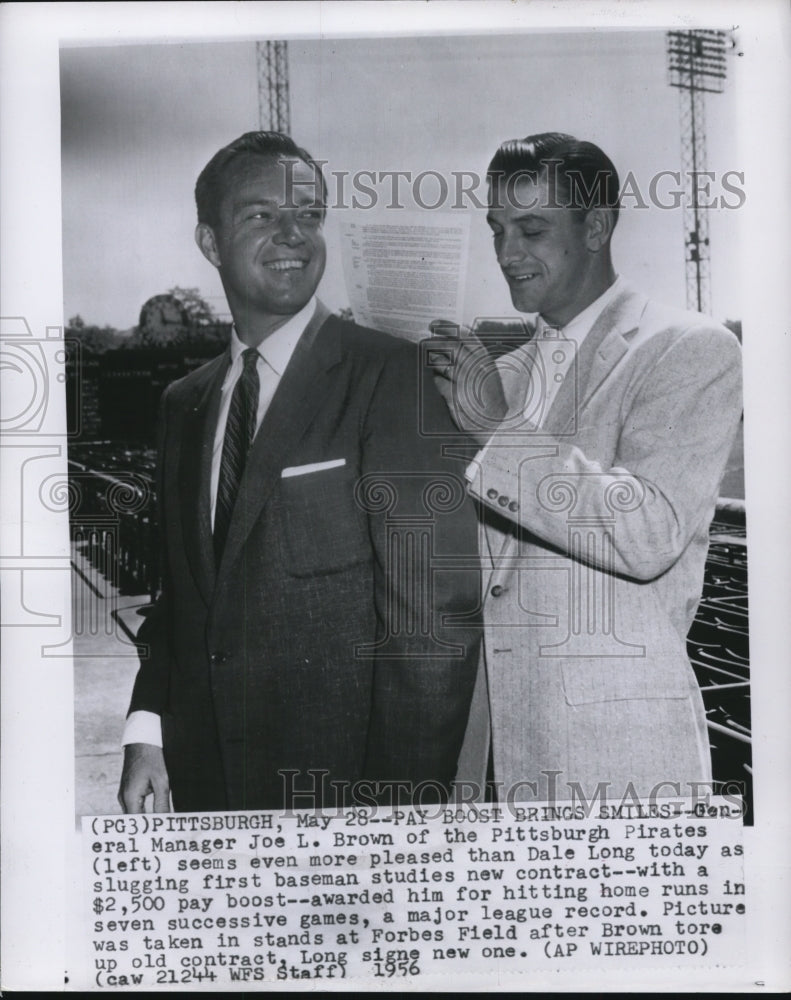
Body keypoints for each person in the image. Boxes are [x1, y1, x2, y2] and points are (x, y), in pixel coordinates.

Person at [118, 131, 481, 813]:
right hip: (205, 792)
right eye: (260, 215)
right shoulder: (183, 404)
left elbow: (434, 624)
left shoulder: (391, 377)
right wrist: (148, 732)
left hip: (341, 799)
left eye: (308, 214)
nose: (293, 235)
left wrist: (397, 815)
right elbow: (178, 602)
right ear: (209, 240)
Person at [431, 132, 743, 805]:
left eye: (531, 229)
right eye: (497, 229)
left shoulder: (687, 348)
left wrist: (494, 430)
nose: (507, 254)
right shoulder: (499, 375)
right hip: (484, 756)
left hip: (619, 756)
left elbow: (648, 532)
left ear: (596, 225)